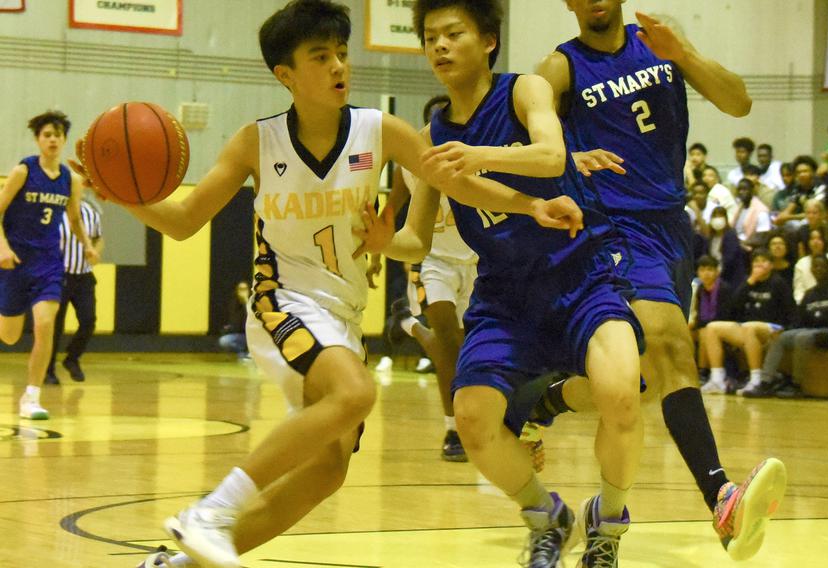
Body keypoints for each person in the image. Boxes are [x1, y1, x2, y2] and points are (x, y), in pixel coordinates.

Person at [88, 2, 585, 567]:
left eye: (342, 53)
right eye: (319, 57)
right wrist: (126, 196)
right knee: (356, 393)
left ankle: (177, 564)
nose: (338, 66)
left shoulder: (382, 131)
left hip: (342, 315)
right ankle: (211, 511)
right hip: (283, 302)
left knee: (327, 471)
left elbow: (461, 185)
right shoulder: (258, 141)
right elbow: (183, 222)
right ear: (286, 76)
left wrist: (534, 205)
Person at [378, 2, 646, 565]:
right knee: (472, 420)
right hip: (504, 295)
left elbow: (552, 156)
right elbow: (416, 241)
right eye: (430, 38)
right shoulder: (431, 138)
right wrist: (372, 239)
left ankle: (608, 524)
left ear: (489, 41)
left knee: (622, 396)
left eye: (453, 34)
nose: (440, 47)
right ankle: (546, 515)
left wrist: (477, 156)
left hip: (580, 275)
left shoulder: (524, 90)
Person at [535, 1, 786, 562]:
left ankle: (544, 402)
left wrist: (686, 55)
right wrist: (571, 157)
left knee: (640, 381)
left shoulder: (658, 42)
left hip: (674, 226)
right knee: (675, 347)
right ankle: (721, 498)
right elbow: (523, 139)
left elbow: (739, 102)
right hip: (613, 228)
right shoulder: (560, 68)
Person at [387, 93, 478, 462]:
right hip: (434, 261)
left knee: (466, 345)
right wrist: (378, 257)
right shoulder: (405, 169)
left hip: (476, 261)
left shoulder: (472, 159)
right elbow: (390, 209)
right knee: (449, 340)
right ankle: (454, 429)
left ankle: (407, 323)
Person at [0, 110, 97, 420]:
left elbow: (74, 218)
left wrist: (87, 245)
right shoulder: (23, 172)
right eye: (47, 134)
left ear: (64, 139)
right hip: (15, 262)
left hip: (49, 264)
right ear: (38, 140)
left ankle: (31, 397)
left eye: (57, 134)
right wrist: (2, 247)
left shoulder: (72, 179)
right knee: (10, 336)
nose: (52, 139)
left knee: (45, 325)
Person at [740, 254, 828, 398]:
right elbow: (799, 320)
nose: (818, 269)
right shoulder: (809, 294)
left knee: (803, 337)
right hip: (811, 331)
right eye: (815, 266)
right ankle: (766, 382)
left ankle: (796, 384)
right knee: (781, 337)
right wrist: (785, 330)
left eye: (822, 266)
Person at [700, 249, 795, 395]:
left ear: (770, 265)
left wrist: (786, 330)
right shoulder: (748, 282)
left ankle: (756, 379)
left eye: (763, 261)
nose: (759, 265)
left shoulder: (778, 283)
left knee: (749, 327)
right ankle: (717, 379)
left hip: (772, 328)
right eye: (756, 262)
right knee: (712, 327)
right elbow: (732, 308)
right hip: (747, 327)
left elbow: (791, 309)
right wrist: (749, 282)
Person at [45, 195, 103, 384]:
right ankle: (48, 370)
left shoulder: (91, 213)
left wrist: (95, 252)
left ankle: (72, 358)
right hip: (58, 275)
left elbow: (97, 238)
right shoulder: (54, 212)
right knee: (55, 326)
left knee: (88, 320)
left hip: (83, 276)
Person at [689, 255, 734, 374]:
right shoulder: (700, 289)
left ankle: (703, 370)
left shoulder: (724, 289)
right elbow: (698, 313)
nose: (706, 273)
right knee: (684, 333)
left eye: (709, 269)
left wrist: (697, 324)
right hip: (706, 325)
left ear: (717, 271)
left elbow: (724, 315)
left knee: (705, 332)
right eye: (702, 270)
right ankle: (686, 369)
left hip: (725, 326)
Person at [792, 228, 828, 304]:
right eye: (812, 239)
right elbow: (799, 290)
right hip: (808, 302)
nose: (815, 242)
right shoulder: (801, 263)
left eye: (819, 239)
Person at [218, 281, 250, 359]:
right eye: (240, 289)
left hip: (252, 335)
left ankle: (250, 353)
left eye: (245, 289)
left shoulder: (253, 303)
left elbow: (251, 317)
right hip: (240, 335)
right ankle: (242, 352)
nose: (243, 292)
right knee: (224, 341)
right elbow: (235, 322)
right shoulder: (234, 304)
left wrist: (246, 301)